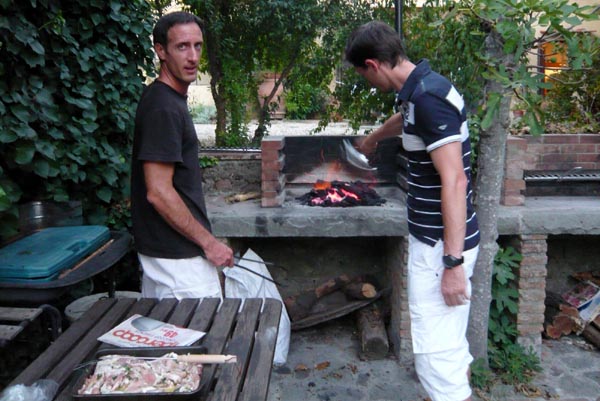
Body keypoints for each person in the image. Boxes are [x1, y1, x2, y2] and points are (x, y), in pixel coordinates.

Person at [345, 21, 480, 401]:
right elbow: (407, 120)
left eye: (363, 74)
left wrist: (452, 264)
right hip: (437, 242)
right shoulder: (418, 90)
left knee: (437, 356)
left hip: (441, 247)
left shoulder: (428, 99)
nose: (367, 81)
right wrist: (374, 138)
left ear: (373, 65)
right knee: (448, 347)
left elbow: (455, 181)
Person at [131, 11, 233, 300]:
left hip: (167, 256)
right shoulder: (164, 107)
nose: (193, 57)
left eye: (197, 46)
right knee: (205, 329)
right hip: (179, 263)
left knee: (166, 330)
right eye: (182, 47)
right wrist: (210, 243)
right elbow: (159, 192)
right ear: (161, 51)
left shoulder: (165, 98)